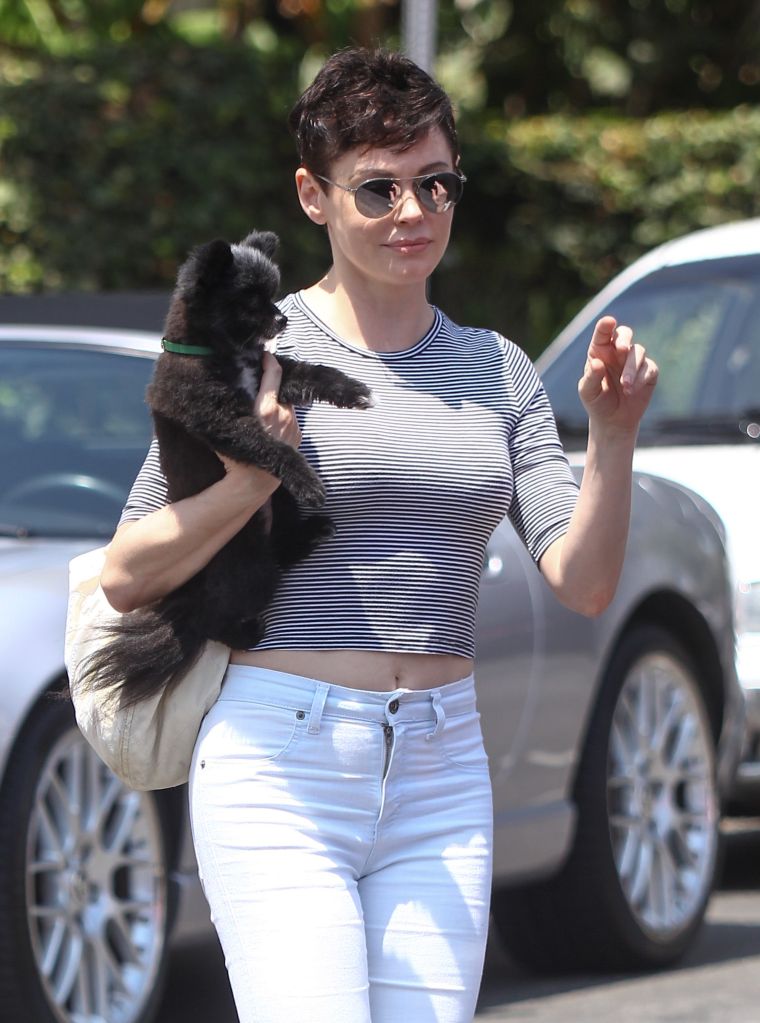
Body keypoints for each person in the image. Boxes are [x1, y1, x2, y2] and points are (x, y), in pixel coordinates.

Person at [101, 47, 658, 1023]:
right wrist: (249, 477)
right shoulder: (252, 351)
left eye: (435, 184)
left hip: (442, 769)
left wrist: (610, 437)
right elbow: (124, 572)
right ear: (313, 196)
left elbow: (583, 582)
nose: (414, 213)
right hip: (282, 759)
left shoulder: (498, 370)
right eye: (379, 190)